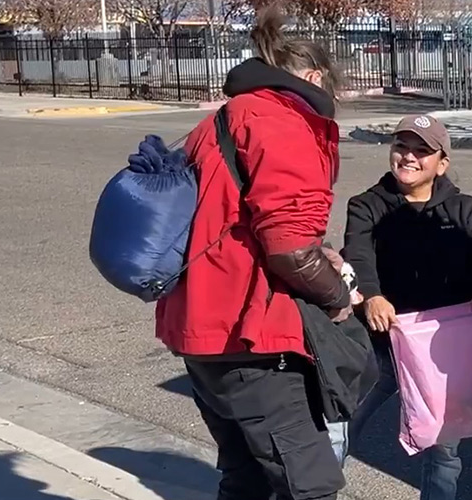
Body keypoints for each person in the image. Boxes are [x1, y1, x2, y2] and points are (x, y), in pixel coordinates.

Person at [154, 6, 359, 500]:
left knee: (246, 478)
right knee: (309, 485)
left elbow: (241, 217)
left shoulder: (226, 117)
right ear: (313, 78)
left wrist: (317, 249)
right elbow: (288, 247)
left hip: (202, 324)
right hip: (252, 334)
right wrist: (337, 297)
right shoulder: (282, 122)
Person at [342, 114, 472, 500]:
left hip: (441, 354)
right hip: (381, 346)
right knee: (339, 428)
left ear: (442, 163)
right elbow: (359, 255)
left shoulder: (462, 208)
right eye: (402, 147)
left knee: (443, 453)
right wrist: (372, 294)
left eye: (422, 151)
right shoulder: (366, 205)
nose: (409, 157)